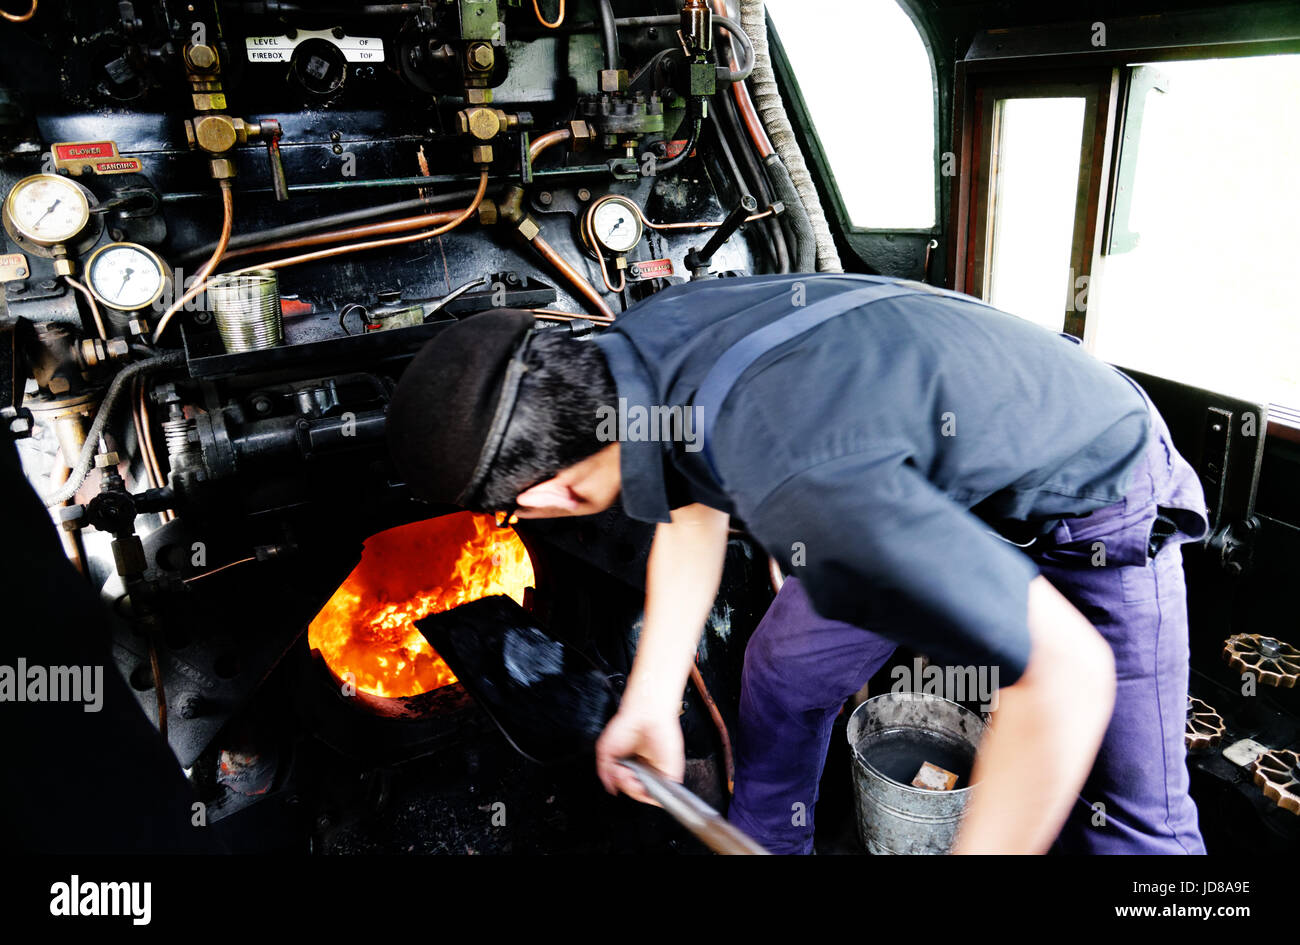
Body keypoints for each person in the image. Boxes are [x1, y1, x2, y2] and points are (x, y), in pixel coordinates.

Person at [386, 273, 1209, 854]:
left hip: (1094, 486)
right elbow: (693, 500)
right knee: (784, 670)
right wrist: (651, 699)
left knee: (1135, 825)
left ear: (546, 499)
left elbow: (1069, 678)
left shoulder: (797, 480)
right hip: (904, 475)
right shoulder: (628, 356)